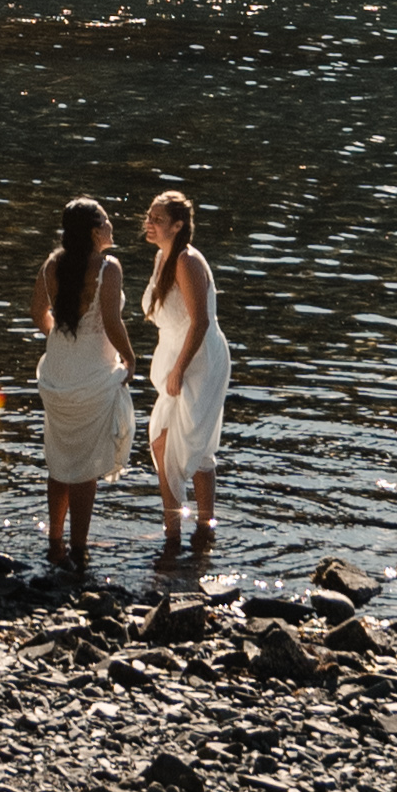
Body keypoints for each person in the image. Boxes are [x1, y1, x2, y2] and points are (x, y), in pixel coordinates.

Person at [31, 195, 136, 575]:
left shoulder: (52, 265)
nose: (112, 227)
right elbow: (111, 321)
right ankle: (79, 549)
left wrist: (59, 336)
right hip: (91, 373)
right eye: (107, 222)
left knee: (60, 459)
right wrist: (131, 358)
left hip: (58, 370)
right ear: (95, 232)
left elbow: (36, 312)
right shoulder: (108, 268)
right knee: (87, 464)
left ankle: (54, 542)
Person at [141, 187, 230, 558]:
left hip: (199, 359)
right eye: (148, 216)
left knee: (176, 442)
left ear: (178, 226)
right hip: (177, 354)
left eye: (157, 219)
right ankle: (191, 532)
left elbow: (201, 322)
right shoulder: (164, 258)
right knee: (177, 444)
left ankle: (186, 530)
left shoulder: (187, 261)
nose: (148, 223)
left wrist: (179, 369)